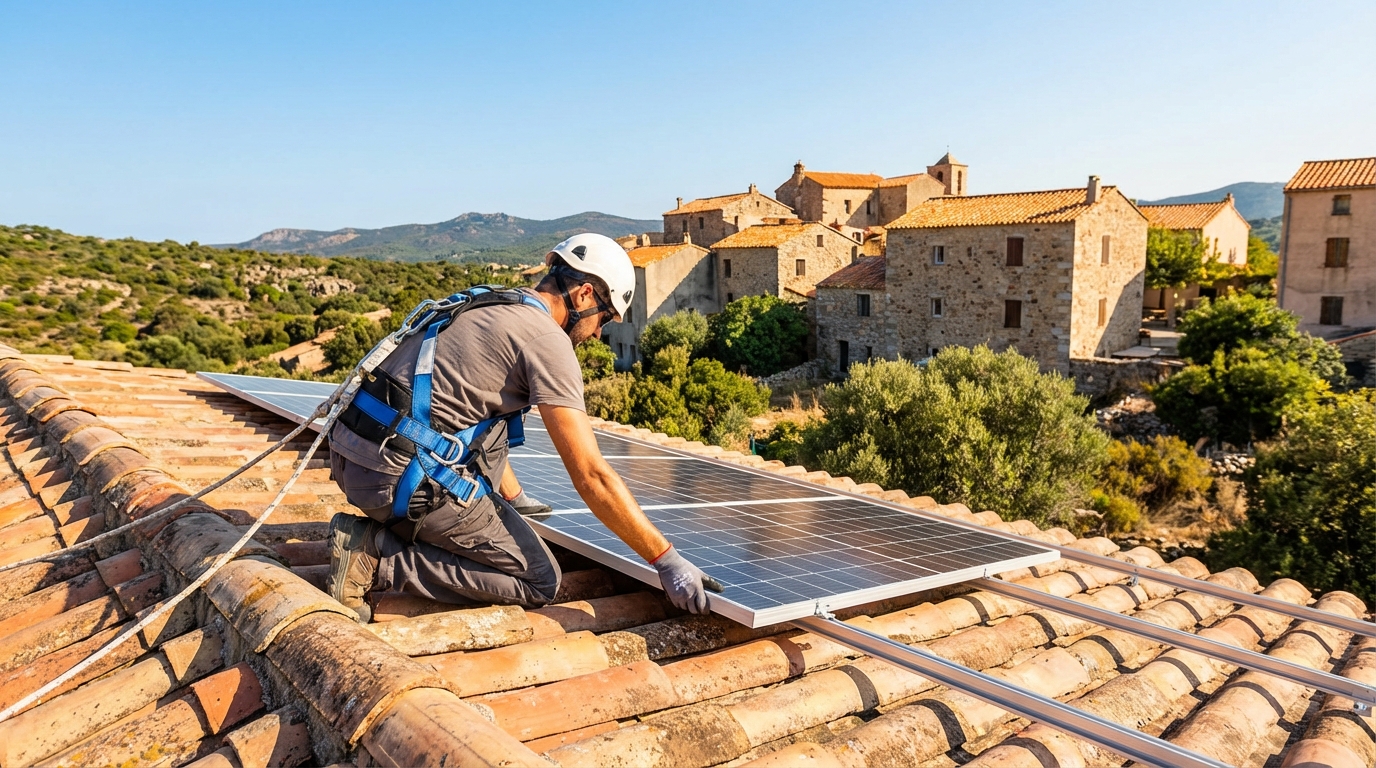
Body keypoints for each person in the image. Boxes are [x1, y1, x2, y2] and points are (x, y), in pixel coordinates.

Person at [324, 233, 722, 622]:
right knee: (538, 579)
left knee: (496, 425)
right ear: (584, 294)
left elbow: (480, 414)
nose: (600, 332)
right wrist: (665, 559)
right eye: (605, 317)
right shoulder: (548, 341)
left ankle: (472, 507)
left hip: (352, 455)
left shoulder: (491, 300)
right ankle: (374, 557)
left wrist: (512, 499)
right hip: (391, 480)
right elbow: (591, 475)